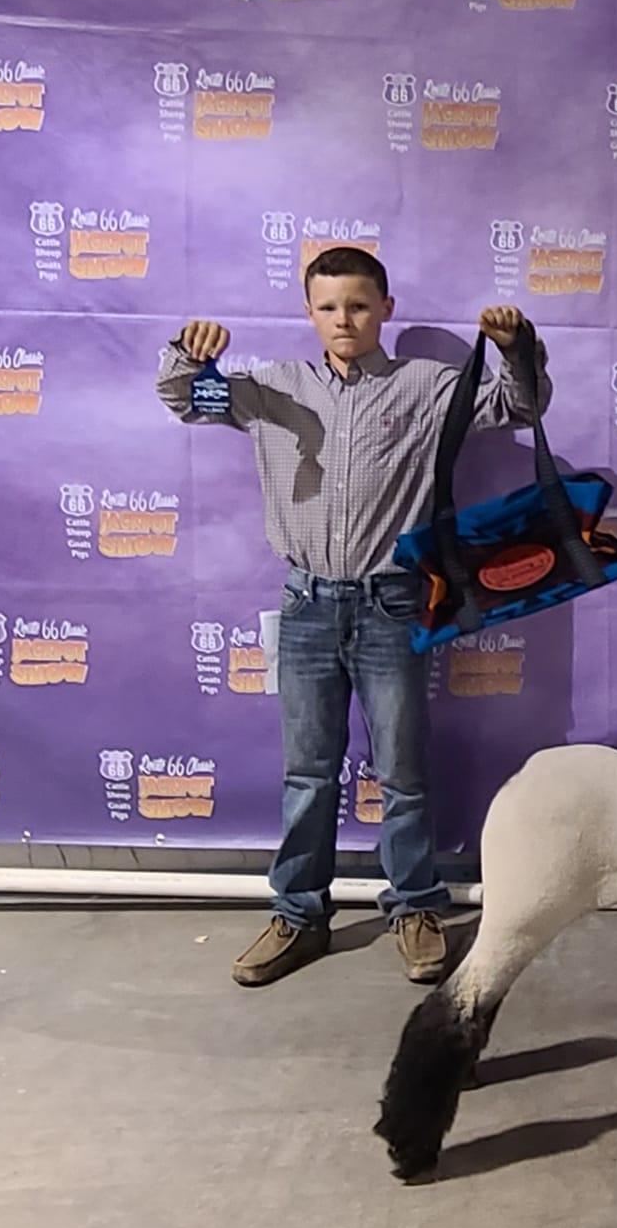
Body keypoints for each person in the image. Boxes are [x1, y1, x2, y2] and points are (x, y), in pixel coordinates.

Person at [155, 247, 550, 987]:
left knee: (403, 770)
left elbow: (517, 406)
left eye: (360, 305)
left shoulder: (427, 386)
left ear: (386, 310)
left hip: (392, 603)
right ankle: (298, 914)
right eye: (329, 306)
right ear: (309, 312)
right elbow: (183, 397)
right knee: (308, 773)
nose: (345, 319)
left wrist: (516, 347)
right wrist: (187, 355)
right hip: (306, 606)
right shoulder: (272, 388)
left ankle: (415, 906)